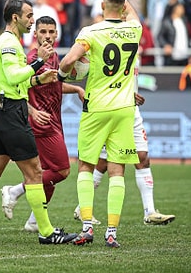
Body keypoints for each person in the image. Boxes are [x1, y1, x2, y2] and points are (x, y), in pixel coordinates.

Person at [0, 0, 76, 245]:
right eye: (29, 16)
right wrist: (39, 61)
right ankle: (47, 232)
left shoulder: (9, 42)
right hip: (11, 113)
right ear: (15, 18)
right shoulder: (9, 43)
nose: (32, 20)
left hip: (0, 111)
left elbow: (18, 80)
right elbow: (12, 76)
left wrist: (38, 80)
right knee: (35, 173)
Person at [58, 0, 142, 248]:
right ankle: (112, 232)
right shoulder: (134, 29)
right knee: (118, 169)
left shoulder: (91, 32)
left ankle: (86, 227)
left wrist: (61, 74)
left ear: (103, 5)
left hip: (96, 107)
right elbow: (129, 10)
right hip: (124, 108)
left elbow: (69, 62)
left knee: (86, 165)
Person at [0, 16, 86, 232]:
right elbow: (18, 88)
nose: (47, 36)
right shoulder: (32, 59)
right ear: (35, 34)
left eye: (51, 32)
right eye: (43, 32)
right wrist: (32, 111)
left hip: (55, 120)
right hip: (41, 122)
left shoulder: (54, 57)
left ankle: (33, 220)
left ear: (57, 34)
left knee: (47, 171)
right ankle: (15, 191)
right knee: (62, 170)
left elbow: (53, 85)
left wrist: (75, 88)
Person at [74, 92, 176, 226]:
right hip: (111, 108)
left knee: (142, 157)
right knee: (103, 162)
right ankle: (82, 208)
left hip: (132, 110)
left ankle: (150, 212)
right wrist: (124, 92)